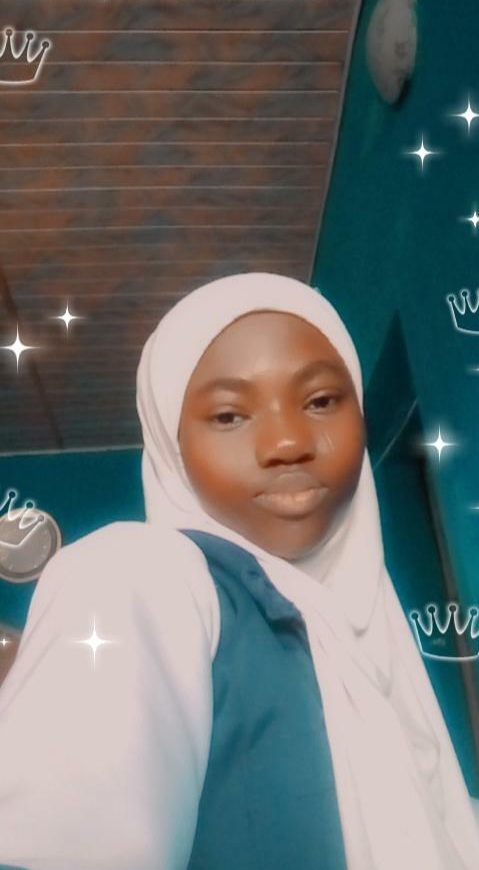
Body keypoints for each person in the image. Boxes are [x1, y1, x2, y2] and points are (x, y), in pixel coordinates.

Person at [0, 270, 478, 870]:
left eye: (320, 401)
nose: (287, 443)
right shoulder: (140, 575)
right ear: (173, 446)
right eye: (229, 416)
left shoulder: (380, 645)